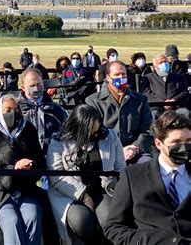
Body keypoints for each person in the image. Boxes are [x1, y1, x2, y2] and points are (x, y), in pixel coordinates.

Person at [104, 111, 191, 245]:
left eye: (188, 141)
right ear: (158, 144)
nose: (183, 147)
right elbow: (113, 227)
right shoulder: (133, 176)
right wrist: (146, 241)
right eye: (176, 142)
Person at [47, 105, 126, 245]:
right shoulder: (58, 142)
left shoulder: (110, 136)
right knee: (82, 221)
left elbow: (120, 168)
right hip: (69, 193)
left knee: (109, 219)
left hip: (102, 190)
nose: (96, 135)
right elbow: (57, 177)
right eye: (91, 133)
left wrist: (113, 182)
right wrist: (84, 196)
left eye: (97, 130)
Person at [0, 95, 46, 245]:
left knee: (32, 215)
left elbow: (41, 164)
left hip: (25, 189)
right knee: (11, 219)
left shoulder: (28, 130)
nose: (13, 113)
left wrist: (30, 166)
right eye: (8, 110)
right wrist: (13, 170)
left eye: (16, 109)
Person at [86, 61, 153, 164]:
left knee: (147, 165)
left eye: (123, 74)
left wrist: (135, 147)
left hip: (135, 151)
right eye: (116, 75)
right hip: (105, 152)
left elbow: (148, 129)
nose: (121, 77)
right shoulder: (93, 101)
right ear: (108, 78)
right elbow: (93, 133)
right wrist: (117, 151)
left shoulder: (141, 100)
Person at [18, 68, 68, 154]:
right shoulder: (16, 110)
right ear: (23, 87)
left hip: (52, 158)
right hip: (25, 160)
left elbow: (67, 135)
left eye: (39, 84)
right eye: (32, 85)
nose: (36, 88)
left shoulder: (57, 110)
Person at [141, 53, 189, 120]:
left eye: (165, 62)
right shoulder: (148, 78)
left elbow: (185, 92)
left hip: (176, 107)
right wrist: (163, 102)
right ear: (155, 67)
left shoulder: (179, 77)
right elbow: (146, 94)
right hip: (157, 107)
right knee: (154, 114)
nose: (164, 64)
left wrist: (173, 100)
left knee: (186, 113)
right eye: (161, 62)